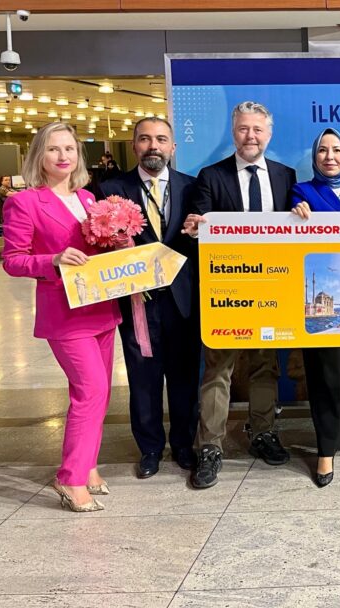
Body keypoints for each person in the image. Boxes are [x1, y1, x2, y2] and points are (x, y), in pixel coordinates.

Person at [1, 122, 121, 512]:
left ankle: (86, 465)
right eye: (53, 149)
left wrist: (119, 243)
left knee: (99, 393)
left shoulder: (87, 198)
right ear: (39, 155)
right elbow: (13, 260)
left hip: (100, 307)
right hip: (65, 313)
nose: (63, 156)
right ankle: (70, 477)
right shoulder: (24, 203)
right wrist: (52, 259)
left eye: (69, 148)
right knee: (91, 391)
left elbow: (97, 250)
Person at [181, 101, 297, 489]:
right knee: (218, 370)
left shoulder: (285, 175)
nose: (251, 136)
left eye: (257, 129)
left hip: (273, 289)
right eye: (244, 129)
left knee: (266, 366)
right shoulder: (211, 176)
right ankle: (210, 447)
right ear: (234, 133)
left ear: (269, 134)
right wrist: (195, 227)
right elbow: (198, 227)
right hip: (227, 292)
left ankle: (262, 432)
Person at [100, 117, 200, 480]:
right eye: (144, 139)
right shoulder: (110, 190)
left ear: (173, 146)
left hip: (183, 299)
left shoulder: (193, 187)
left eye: (160, 139)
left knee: (185, 377)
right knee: (143, 377)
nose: (153, 146)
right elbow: (100, 245)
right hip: (138, 301)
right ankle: (150, 448)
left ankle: (184, 445)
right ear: (134, 145)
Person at [290, 128, 340, 487]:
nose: (330, 156)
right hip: (323, 293)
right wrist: (294, 214)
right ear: (314, 156)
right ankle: (325, 450)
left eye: (337, 150)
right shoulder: (301, 192)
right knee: (324, 374)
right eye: (323, 150)